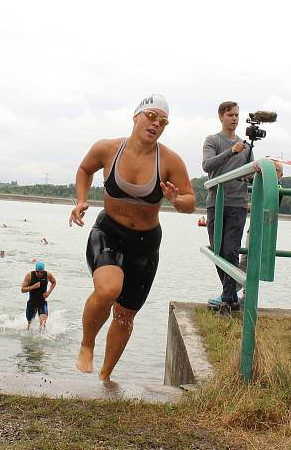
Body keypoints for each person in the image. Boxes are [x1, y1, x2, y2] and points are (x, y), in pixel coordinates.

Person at [69, 94, 195, 381]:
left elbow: (190, 201)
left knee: (125, 317)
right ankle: (87, 346)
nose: (156, 124)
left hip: (146, 243)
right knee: (108, 289)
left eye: (163, 121)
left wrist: (176, 200)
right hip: (109, 231)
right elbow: (84, 169)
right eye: (151, 116)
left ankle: (104, 377)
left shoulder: (170, 160)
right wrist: (81, 200)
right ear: (136, 116)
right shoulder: (107, 148)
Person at [202, 101, 253, 312]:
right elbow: (207, 166)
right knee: (217, 250)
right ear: (221, 116)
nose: (234, 118)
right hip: (216, 202)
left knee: (231, 250)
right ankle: (230, 295)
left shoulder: (247, 147)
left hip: (238, 204)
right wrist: (231, 152)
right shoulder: (212, 140)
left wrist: (254, 172)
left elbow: (249, 174)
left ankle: (228, 297)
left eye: (237, 115)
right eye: (230, 115)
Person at [21, 261, 57, 331]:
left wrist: (48, 292)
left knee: (43, 323)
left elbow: (54, 282)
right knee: (29, 325)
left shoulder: (48, 275)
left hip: (42, 303)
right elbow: (22, 290)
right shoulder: (29, 276)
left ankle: (41, 340)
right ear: (35, 270)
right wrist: (33, 287)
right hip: (32, 303)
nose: (40, 273)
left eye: (41, 272)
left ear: (44, 271)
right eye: (38, 272)